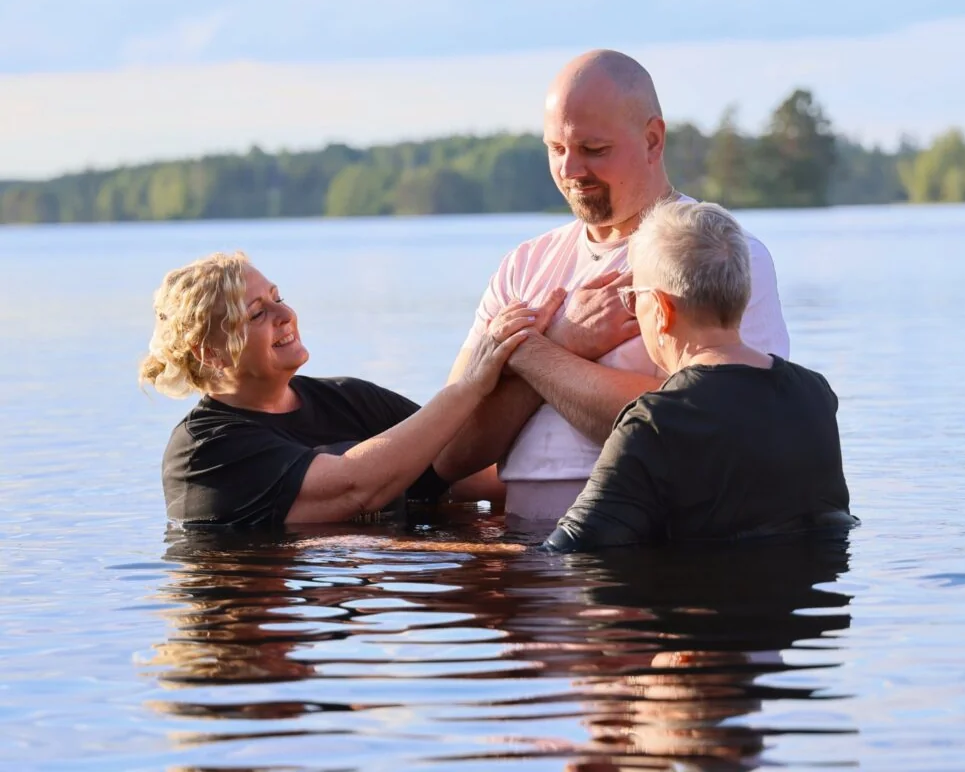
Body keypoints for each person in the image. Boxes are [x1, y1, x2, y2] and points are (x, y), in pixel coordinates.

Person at [444, 49, 790, 521]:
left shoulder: (723, 255)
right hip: (525, 553)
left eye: (593, 149)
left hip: (645, 550)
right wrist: (560, 341)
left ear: (652, 140)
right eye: (556, 149)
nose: (570, 171)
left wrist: (527, 354)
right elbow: (449, 451)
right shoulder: (523, 267)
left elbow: (715, 428)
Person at [142, 250, 560, 528]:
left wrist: (549, 354)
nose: (285, 314)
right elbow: (355, 487)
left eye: (277, 298)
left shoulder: (350, 400)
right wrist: (472, 383)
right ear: (210, 353)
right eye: (256, 314)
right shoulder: (204, 450)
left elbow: (463, 469)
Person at [537, 200, 854, 551]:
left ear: (662, 309)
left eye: (633, 298)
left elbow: (570, 550)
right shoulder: (814, 394)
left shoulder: (655, 422)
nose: (634, 309)